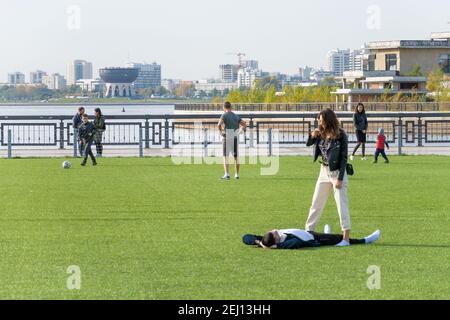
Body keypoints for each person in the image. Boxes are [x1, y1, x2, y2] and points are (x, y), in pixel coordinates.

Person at [305, 109, 352, 247]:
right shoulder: (320, 133)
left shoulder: (341, 135)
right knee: (316, 203)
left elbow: (344, 158)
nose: (318, 122)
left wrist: (340, 179)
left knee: (341, 205)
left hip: (337, 173)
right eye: (318, 119)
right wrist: (312, 136)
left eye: (320, 120)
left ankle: (346, 239)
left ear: (328, 120)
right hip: (323, 171)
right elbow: (308, 143)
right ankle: (308, 232)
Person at [242, 228, 381, 250]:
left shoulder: (266, 240)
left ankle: (328, 232)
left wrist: (258, 242)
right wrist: (276, 247)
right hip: (316, 239)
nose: (275, 231)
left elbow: (245, 237)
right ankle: (365, 240)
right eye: (275, 234)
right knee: (339, 238)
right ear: (276, 241)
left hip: (308, 232)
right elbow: (296, 242)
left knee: (330, 235)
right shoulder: (285, 244)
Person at [217, 101, 247, 180]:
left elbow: (219, 124)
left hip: (227, 137)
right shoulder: (235, 116)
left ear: (224, 108)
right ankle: (236, 174)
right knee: (236, 156)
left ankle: (227, 174)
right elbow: (244, 124)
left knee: (225, 156)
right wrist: (241, 129)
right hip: (235, 136)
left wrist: (220, 132)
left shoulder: (224, 115)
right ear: (231, 107)